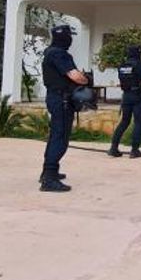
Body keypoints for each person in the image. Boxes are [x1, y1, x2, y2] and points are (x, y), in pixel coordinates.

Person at [40, 24, 89, 193]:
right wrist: (85, 79)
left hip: (55, 97)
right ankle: (49, 179)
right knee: (60, 138)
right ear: (65, 38)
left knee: (55, 135)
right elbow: (75, 76)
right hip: (62, 100)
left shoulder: (49, 51)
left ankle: (48, 171)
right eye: (69, 36)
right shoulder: (60, 54)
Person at [108, 45, 141, 159]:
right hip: (138, 96)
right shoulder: (140, 66)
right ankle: (134, 151)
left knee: (124, 122)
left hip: (126, 96)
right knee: (138, 123)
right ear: (138, 54)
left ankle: (113, 148)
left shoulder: (122, 66)